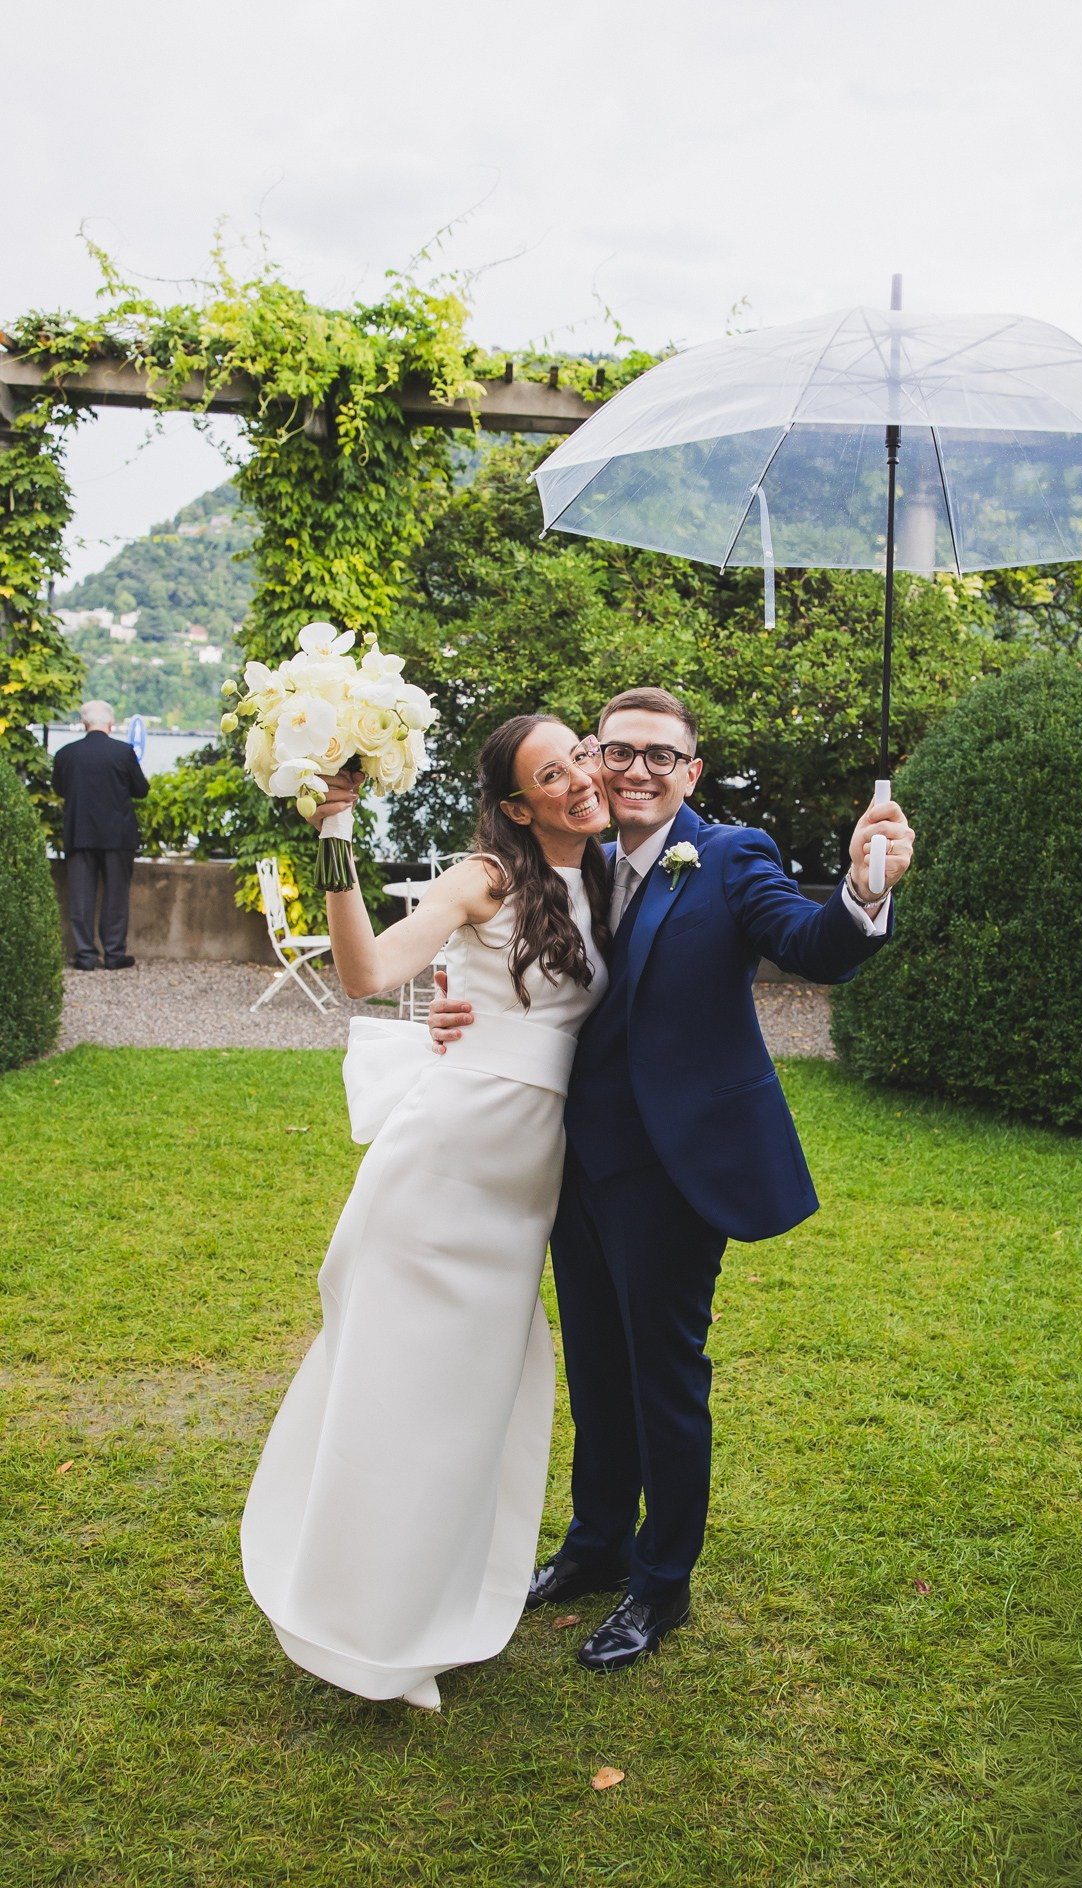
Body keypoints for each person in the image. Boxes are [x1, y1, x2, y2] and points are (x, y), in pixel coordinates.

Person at [429, 687, 914, 1672]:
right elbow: (517, 974)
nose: (638, 770)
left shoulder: (729, 857)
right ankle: (595, 1544)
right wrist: (454, 1014)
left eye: (662, 756)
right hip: (570, 1162)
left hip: (673, 1170)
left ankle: (661, 1582)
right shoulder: (573, 860)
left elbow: (809, 947)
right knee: (598, 1372)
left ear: (691, 774)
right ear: (594, 763)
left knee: (662, 1381)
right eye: (619, 752)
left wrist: (863, 891)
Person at [240, 714, 612, 1711]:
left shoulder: (625, 877)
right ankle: (359, 1618)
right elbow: (365, 975)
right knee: (395, 1391)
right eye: (550, 772)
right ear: (513, 805)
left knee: (468, 1407)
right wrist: (335, 837)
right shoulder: (485, 876)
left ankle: (434, 1601)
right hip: (442, 1169)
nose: (579, 776)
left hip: (525, 1187)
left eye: (581, 753)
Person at [51, 700, 150, 971]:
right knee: (116, 897)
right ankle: (114, 954)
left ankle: (85, 955)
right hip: (117, 836)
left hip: (79, 833)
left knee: (81, 898)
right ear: (111, 723)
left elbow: (59, 789)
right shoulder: (123, 752)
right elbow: (141, 789)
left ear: (84, 723)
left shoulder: (65, 754)